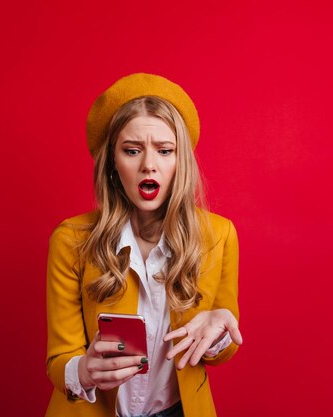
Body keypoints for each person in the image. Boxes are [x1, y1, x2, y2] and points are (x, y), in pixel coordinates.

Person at [45, 73, 242, 417]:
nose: (148, 164)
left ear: (180, 162)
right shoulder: (71, 240)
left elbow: (219, 353)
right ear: (112, 163)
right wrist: (82, 370)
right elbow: (58, 362)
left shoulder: (219, 235)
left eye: (165, 151)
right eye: (132, 150)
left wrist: (221, 326)